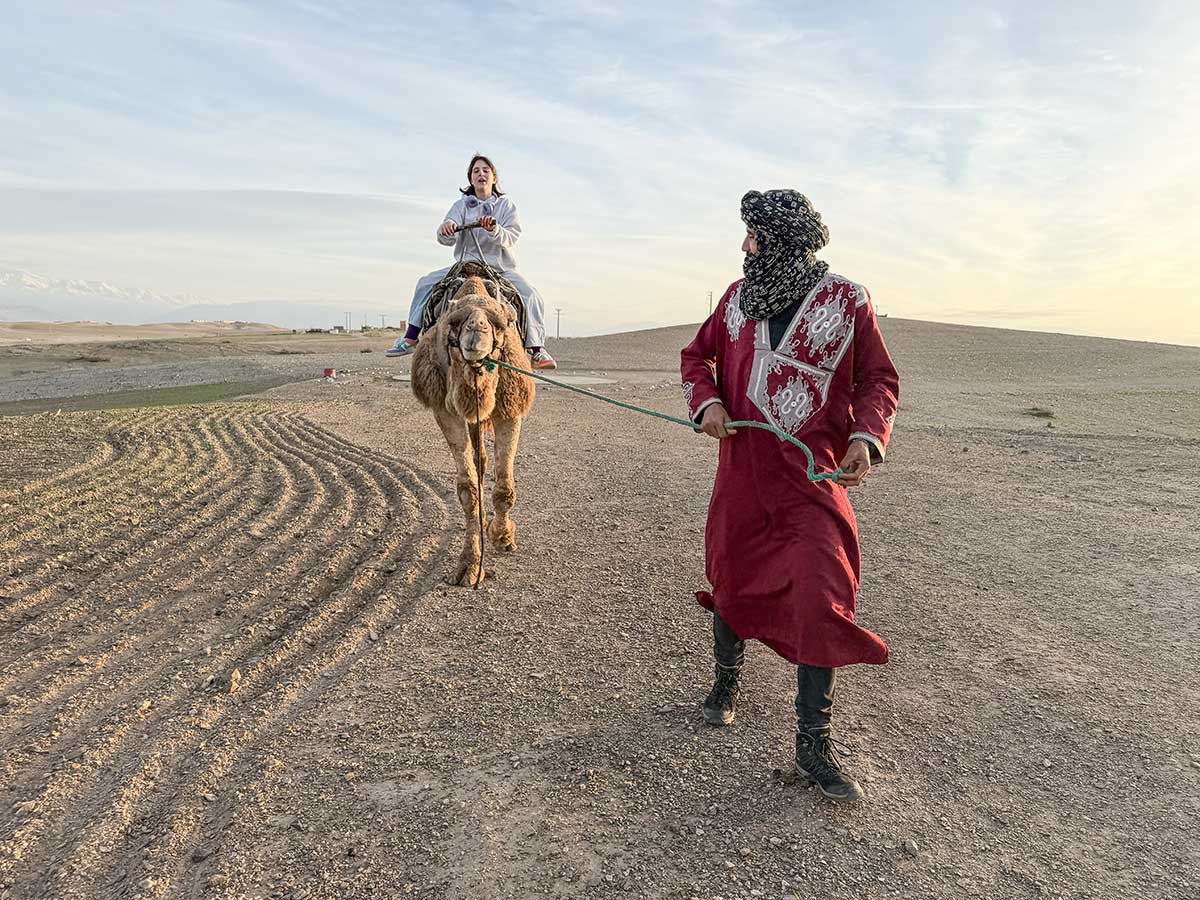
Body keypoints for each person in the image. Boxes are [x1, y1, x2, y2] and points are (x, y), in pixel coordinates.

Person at [679, 189, 899, 803]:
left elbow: (878, 376)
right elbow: (696, 357)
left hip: (812, 481)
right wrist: (709, 403)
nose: (745, 246)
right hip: (743, 473)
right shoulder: (736, 301)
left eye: (753, 235)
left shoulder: (846, 301)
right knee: (733, 577)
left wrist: (866, 437)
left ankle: (812, 746)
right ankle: (725, 685)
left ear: (779, 242)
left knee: (822, 591)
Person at [386, 154, 556, 370]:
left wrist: (493, 229)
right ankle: (410, 338)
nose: (481, 174)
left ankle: (537, 348)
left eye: (485, 170)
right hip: (464, 267)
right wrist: (446, 228)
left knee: (530, 294)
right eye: (476, 171)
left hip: (498, 268)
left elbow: (511, 236)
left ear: (494, 177)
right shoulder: (461, 205)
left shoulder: (506, 206)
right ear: (471, 179)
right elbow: (445, 236)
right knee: (425, 282)